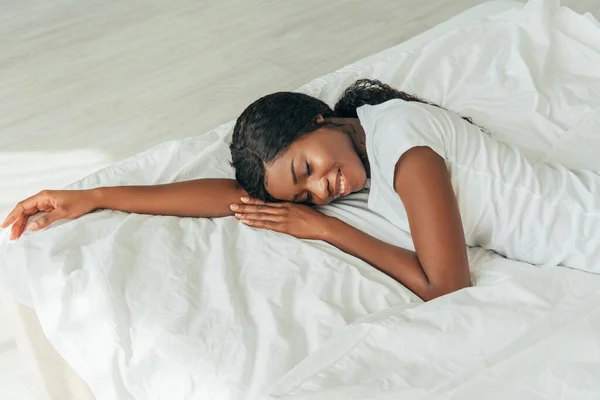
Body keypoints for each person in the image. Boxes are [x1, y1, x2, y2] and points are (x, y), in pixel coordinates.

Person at [2, 79, 599, 301]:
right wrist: (98, 196)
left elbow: (445, 285)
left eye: (309, 168)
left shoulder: (406, 146)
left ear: (318, 120)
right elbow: (233, 198)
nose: (324, 188)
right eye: (307, 195)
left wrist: (325, 228)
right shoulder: (360, 160)